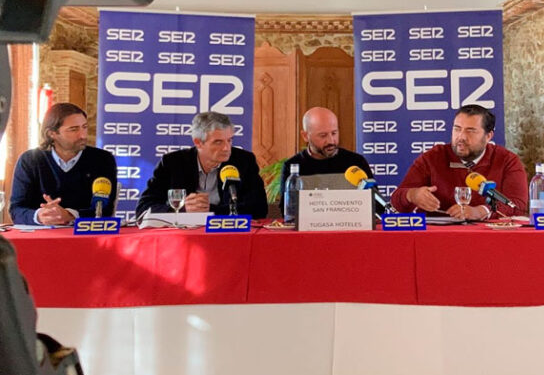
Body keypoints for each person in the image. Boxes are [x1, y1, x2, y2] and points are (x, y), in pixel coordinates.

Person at [391, 105, 528, 219]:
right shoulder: (432, 157)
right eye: (457, 129)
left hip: (487, 237)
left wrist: (481, 211)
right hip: (437, 237)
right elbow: (396, 201)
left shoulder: (507, 161)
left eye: (470, 131)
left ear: (488, 136)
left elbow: (518, 205)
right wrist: (412, 195)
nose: (461, 137)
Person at [136, 112, 268, 219]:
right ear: (198, 142)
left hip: (227, 233)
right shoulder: (172, 163)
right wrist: (182, 209)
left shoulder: (243, 161)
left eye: (229, 140)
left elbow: (259, 208)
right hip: (183, 234)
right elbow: (143, 208)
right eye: (218, 142)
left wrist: (208, 210)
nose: (226, 148)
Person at [10, 103, 117, 225]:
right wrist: (40, 216)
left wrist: (70, 215)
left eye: (84, 127)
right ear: (52, 133)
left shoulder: (102, 159)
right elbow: (16, 210)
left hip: (85, 234)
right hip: (41, 233)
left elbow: (105, 210)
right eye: (74, 129)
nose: (83, 135)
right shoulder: (30, 160)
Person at [279, 107, 373, 213]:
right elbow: (287, 211)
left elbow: (374, 206)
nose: (331, 141)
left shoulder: (356, 162)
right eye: (323, 135)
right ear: (305, 136)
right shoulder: (292, 167)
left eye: (334, 133)